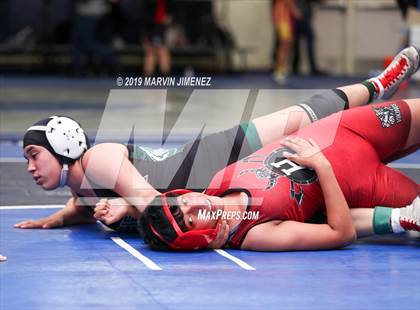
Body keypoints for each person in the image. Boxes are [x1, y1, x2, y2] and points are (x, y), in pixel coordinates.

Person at [14, 47, 420, 240]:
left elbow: (156, 204)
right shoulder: (84, 188)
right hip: (224, 186)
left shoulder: (99, 158)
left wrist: (122, 206)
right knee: (313, 211)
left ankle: (379, 84)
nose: (31, 168)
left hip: (220, 155)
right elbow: (86, 202)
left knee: (304, 116)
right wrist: (62, 217)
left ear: (64, 143)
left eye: (35, 154)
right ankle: (401, 215)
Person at [139, 96, 420, 251]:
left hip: (344, 128)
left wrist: (120, 204)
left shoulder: (215, 182)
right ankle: (401, 218)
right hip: (365, 183)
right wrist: (321, 166)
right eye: (191, 220)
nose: (198, 205)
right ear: (195, 238)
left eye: (186, 203)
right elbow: (341, 233)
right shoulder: (254, 236)